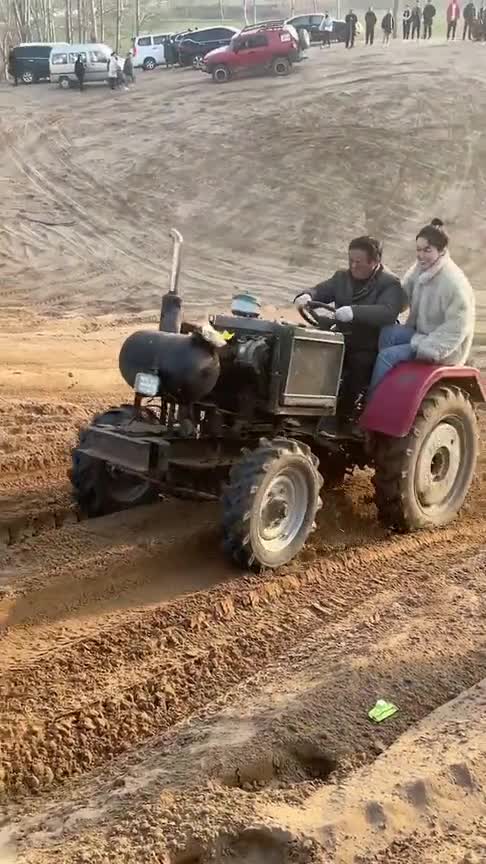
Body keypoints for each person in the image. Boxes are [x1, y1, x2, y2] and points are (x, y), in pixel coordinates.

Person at [294, 237, 404, 436]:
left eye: (358, 262)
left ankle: (342, 420)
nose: (353, 265)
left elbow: (388, 311)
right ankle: (305, 409)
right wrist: (308, 295)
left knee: (358, 365)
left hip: (370, 343)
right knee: (309, 353)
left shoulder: (390, 284)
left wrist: (355, 311)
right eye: (350, 260)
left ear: (374, 262)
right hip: (341, 337)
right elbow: (321, 290)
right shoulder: (341, 277)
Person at [369, 219, 475, 393]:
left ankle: (373, 401)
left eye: (427, 250)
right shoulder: (420, 269)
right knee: (388, 332)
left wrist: (429, 349)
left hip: (443, 346)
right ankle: (392, 385)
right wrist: (380, 304)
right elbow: (403, 296)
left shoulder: (453, 283)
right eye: (418, 249)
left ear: (441, 251)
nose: (421, 255)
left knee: (386, 356)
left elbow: (457, 327)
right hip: (423, 334)